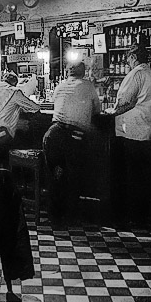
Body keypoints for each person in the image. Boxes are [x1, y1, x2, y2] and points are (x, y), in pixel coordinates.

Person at [106, 43, 151, 228]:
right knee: (150, 177)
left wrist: (112, 112)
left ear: (132, 58)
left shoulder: (136, 74)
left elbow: (126, 102)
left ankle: (135, 218)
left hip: (135, 133)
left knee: (134, 177)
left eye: (128, 59)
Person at [42, 61, 100, 225]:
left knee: (55, 174)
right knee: (72, 176)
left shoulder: (61, 85)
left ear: (68, 72)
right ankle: (70, 216)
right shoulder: (88, 86)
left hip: (52, 134)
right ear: (84, 72)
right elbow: (97, 110)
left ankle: (53, 215)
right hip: (73, 135)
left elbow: (55, 102)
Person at [0, 71, 40, 164]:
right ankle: (16, 170)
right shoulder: (14, 91)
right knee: (22, 137)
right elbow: (35, 108)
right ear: (15, 83)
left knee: (18, 128)